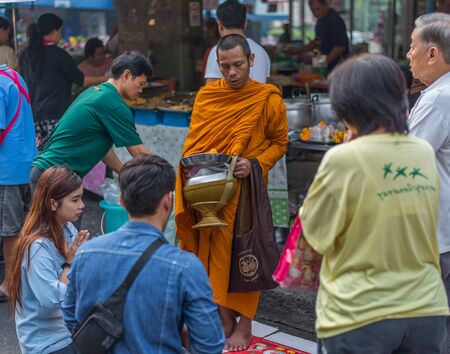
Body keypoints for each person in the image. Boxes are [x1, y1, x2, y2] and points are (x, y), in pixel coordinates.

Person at [300, 53, 448, 353]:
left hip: (361, 313)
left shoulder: (343, 159)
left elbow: (316, 233)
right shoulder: (420, 151)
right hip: (425, 308)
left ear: (346, 105)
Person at [175, 34, 288, 351]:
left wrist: (254, 164)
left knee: (245, 255)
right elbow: (194, 143)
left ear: (251, 61)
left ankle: (246, 325)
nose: (232, 72)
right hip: (209, 189)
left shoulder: (267, 99)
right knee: (211, 254)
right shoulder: (207, 97)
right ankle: (224, 318)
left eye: (238, 65)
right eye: (225, 67)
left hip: (246, 191)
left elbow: (279, 144)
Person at [63, 155, 225, 354]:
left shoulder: (86, 253)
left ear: (122, 201)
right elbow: (209, 345)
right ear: (168, 200)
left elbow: (71, 318)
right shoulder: (185, 266)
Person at [29, 51, 154, 192]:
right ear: (126, 75)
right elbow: (138, 152)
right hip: (54, 177)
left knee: (74, 212)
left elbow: (102, 149)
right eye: (141, 83)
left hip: (47, 174)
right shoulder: (112, 103)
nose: (141, 90)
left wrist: (123, 171)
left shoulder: (95, 92)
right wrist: (168, 174)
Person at [6, 167, 90, 354]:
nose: (82, 205)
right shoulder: (37, 247)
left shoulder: (69, 230)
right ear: (53, 203)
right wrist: (69, 264)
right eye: (75, 200)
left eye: (81, 198)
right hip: (48, 343)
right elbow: (52, 299)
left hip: (70, 331)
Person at [406, 13, 450, 353]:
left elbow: (406, 162)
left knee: (429, 334)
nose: (408, 55)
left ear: (433, 54)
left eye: (412, 46)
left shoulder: (437, 99)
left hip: (436, 236)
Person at [19, 13, 106, 141]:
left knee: (39, 157)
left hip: (32, 117)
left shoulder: (25, 55)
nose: (60, 34)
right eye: (60, 31)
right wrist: (107, 79)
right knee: (58, 156)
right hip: (56, 116)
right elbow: (81, 81)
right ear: (55, 31)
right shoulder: (60, 55)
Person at [0, 65, 35, 303]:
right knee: (23, 225)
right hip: (25, 161)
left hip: (7, 169)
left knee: (10, 228)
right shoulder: (12, 75)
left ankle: (10, 285)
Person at [204, 0, 271, 83]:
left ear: (220, 25)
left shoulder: (218, 50)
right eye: (225, 66)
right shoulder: (261, 52)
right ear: (245, 23)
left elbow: (211, 91)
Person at [287, 0, 349, 71]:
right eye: (312, 10)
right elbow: (317, 43)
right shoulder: (320, 20)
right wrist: (297, 51)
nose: (315, 13)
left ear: (326, 5)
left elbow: (340, 47)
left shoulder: (335, 20)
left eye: (317, 9)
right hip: (326, 65)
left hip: (338, 67)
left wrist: (321, 62)